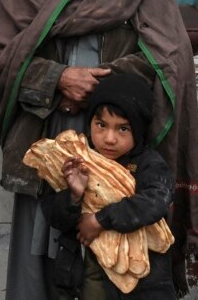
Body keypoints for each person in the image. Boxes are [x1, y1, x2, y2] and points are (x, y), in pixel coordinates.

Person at [0, 0, 198, 299]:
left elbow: (167, 61)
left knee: (114, 269)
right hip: (52, 151)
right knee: (40, 263)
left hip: (122, 156)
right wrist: (57, 78)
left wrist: (101, 90)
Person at [47, 73, 176, 300]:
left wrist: (100, 220)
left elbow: (154, 202)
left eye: (122, 129)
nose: (109, 138)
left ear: (139, 129)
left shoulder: (148, 164)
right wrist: (74, 196)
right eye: (101, 125)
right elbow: (55, 218)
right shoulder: (79, 162)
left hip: (139, 284)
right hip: (87, 276)